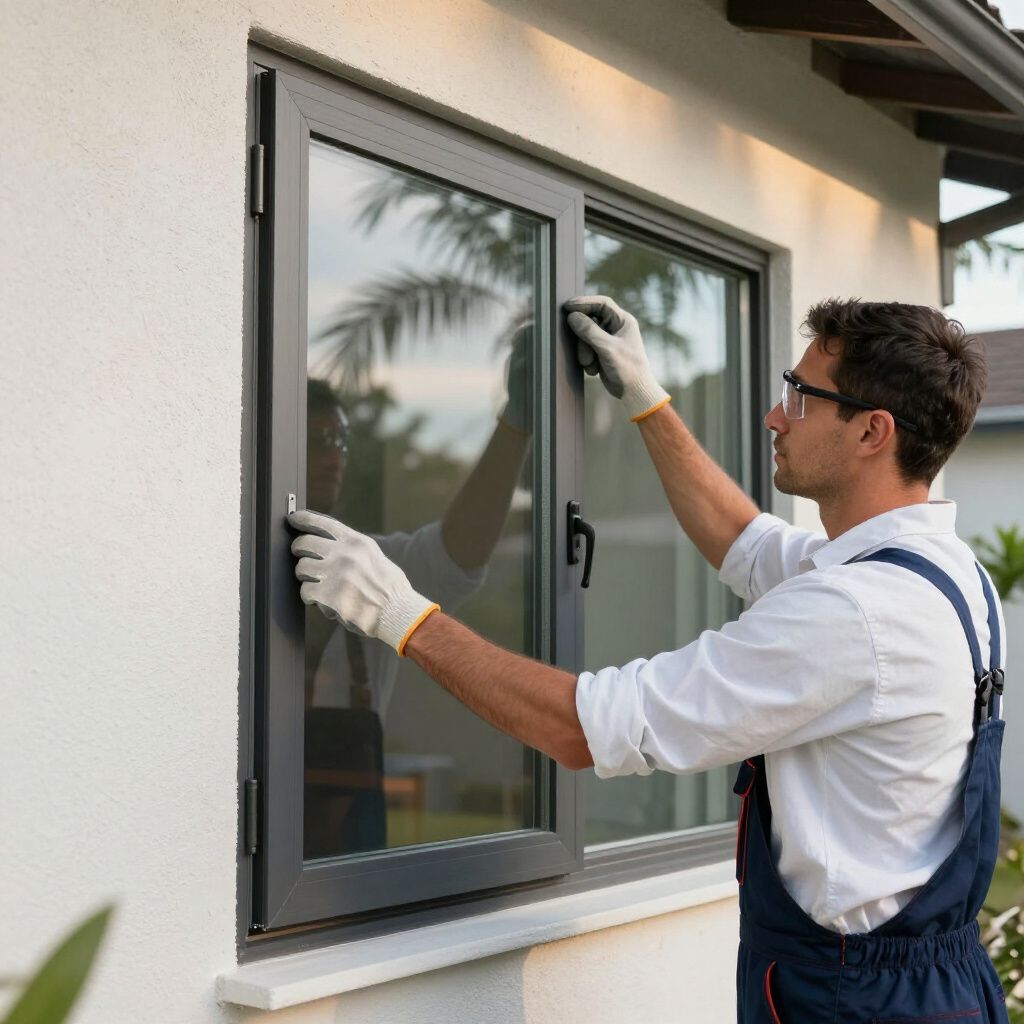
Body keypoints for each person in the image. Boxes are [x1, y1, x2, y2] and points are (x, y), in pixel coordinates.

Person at [288, 295, 1007, 1021]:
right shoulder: (938, 572)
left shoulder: (857, 613)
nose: (775, 415)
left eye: (802, 396)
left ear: (872, 432)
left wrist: (402, 616)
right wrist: (645, 396)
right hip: (924, 984)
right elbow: (746, 542)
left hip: (861, 1003)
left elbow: (588, 727)